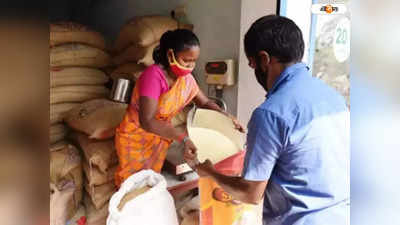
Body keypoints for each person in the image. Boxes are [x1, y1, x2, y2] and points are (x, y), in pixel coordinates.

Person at [185, 15, 350, 225]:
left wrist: (209, 172)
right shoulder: (333, 97)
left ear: (264, 60)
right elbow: (305, 163)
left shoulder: (270, 113)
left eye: (252, 64)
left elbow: (251, 194)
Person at [114, 29, 244, 187]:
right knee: (131, 187)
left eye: (194, 61)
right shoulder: (153, 76)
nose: (190, 66)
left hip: (159, 137)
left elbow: (204, 103)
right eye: (186, 60)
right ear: (170, 55)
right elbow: (147, 121)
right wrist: (184, 138)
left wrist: (226, 117)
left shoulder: (187, 80)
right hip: (135, 138)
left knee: (150, 184)